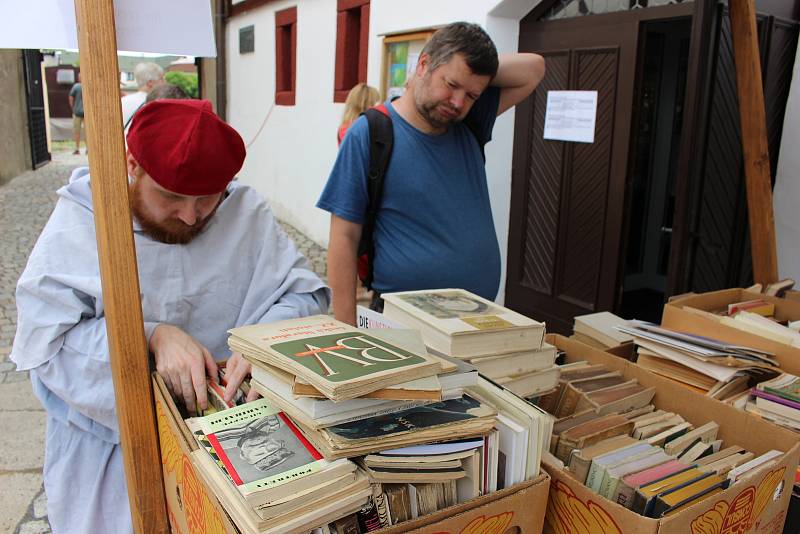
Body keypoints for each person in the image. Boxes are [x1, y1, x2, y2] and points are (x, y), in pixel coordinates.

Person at [10, 99, 329, 533]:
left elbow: (303, 296)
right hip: (114, 451)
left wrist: (265, 340)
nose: (189, 214)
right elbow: (49, 344)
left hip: (237, 444)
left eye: (207, 199)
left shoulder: (245, 214)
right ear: (132, 164)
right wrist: (150, 336)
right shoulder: (85, 219)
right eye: (171, 195)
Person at [317, 22, 545, 325]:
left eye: (472, 95)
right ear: (423, 64)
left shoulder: (469, 122)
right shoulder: (370, 133)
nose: (458, 102)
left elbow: (534, 69)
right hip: (405, 326)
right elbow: (344, 238)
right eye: (451, 84)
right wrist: (346, 332)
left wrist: (473, 69)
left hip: (477, 320)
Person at [121, 61, 165, 133]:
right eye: (161, 79)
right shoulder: (156, 104)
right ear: (150, 82)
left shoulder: (122, 101)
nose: (164, 82)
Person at [68, 71, 84, 155]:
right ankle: (88, 149)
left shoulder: (76, 86)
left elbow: (70, 97)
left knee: (77, 131)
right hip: (84, 113)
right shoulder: (85, 86)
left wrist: (73, 108)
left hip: (77, 112)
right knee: (87, 132)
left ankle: (77, 148)